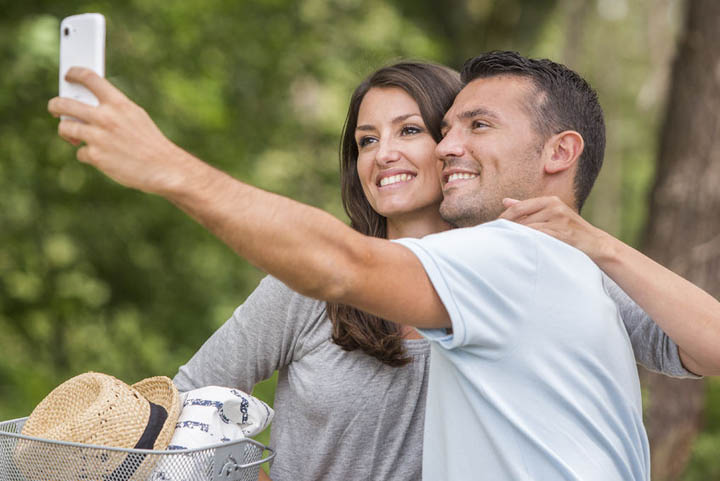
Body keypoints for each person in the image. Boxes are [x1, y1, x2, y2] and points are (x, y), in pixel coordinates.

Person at [48, 52, 720, 480]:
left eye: (412, 130)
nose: (384, 154)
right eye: (366, 139)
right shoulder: (306, 282)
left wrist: (598, 243)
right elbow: (193, 406)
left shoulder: (534, 264)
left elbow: (706, 342)